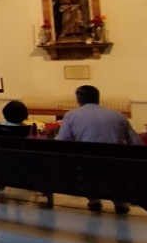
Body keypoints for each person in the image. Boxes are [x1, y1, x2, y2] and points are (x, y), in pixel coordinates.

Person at [56, 85, 141, 214]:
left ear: (78, 99)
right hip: (115, 161)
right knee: (117, 175)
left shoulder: (72, 115)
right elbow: (135, 141)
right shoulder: (117, 115)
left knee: (87, 169)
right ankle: (120, 203)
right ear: (98, 98)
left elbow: (62, 141)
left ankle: (94, 201)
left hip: (88, 162)